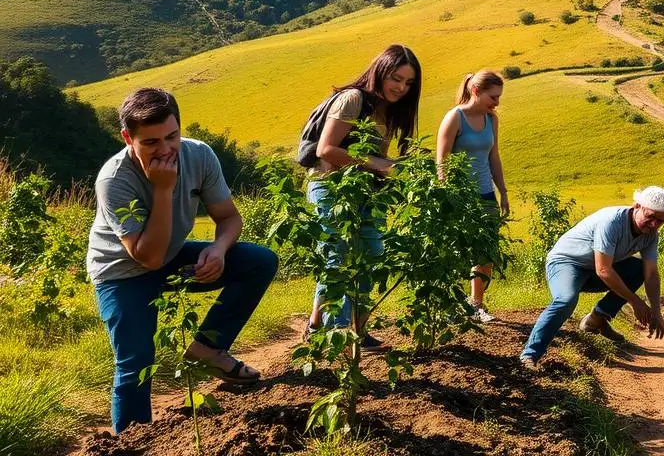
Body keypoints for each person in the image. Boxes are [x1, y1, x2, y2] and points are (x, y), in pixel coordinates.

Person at [87, 88, 279, 434]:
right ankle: (133, 441)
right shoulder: (114, 179)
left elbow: (229, 218)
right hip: (122, 272)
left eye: (171, 136)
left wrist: (218, 250)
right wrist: (162, 189)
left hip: (172, 256)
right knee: (136, 361)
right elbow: (148, 257)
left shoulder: (199, 155)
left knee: (259, 261)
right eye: (150, 143)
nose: (164, 149)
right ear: (127, 137)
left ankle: (208, 349)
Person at [305, 44, 421, 346]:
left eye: (408, 83)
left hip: (364, 190)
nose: (401, 87)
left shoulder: (387, 110)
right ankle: (337, 335)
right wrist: (380, 164)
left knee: (371, 254)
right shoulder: (353, 99)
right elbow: (326, 149)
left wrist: (393, 169)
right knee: (337, 256)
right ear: (380, 71)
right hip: (331, 186)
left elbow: (375, 161)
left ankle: (355, 329)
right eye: (396, 78)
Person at [519, 187, 664, 368]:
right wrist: (636, 301)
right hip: (567, 263)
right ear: (637, 206)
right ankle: (530, 355)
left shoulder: (650, 235)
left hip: (595, 270)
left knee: (638, 269)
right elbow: (603, 270)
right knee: (565, 300)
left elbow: (651, 274)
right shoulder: (612, 221)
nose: (654, 224)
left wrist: (656, 311)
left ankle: (598, 318)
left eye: (660, 221)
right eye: (650, 217)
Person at [436, 69, 509, 323]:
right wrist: (448, 197)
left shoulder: (492, 119)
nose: (497, 102)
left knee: (486, 252)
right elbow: (441, 162)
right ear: (475, 91)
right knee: (457, 253)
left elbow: (494, 156)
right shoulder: (454, 117)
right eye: (493, 97)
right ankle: (449, 307)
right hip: (459, 196)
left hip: (485, 193)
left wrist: (503, 192)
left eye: (499, 97)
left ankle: (476, 305)